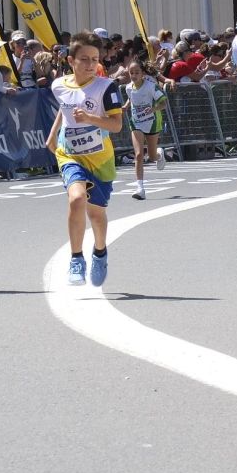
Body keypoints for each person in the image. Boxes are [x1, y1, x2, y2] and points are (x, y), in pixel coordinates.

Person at [46, 33, 125, 288]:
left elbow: (116, 125)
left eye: (95, 59)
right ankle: (76, 258)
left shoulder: (106, 87)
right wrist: (53, 133)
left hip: (100, 160)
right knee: (77, 198)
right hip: (70, 154)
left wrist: (91, 118)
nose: (90, 64)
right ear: (71, 60)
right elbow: (65, 106)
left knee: (97, 214)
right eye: (84, 59)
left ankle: (100, 253)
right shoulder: (58, 85)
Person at [121, 54, 165, 199]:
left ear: (143, 73)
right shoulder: (128, 87)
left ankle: (159, 155)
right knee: (139, 154)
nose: (133, 76)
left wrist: (153, 109)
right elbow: (131, 98)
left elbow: (164, 102)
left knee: (152, 156)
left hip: (152, 121)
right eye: (131, 73)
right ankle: (140, 188)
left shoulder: (150, 86)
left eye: (136, 73)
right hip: (136, 122)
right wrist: (126, 106)